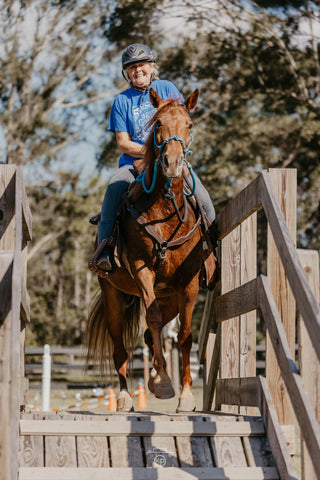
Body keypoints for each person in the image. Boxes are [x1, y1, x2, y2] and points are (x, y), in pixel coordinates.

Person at [89, 43, 216, 276]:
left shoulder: (166, 88)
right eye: (132, 67)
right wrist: (148, 156)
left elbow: (181, 119)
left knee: (205, 201)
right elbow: (123, 143)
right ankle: (105, 250)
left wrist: (166, 154)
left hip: (171, 160)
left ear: (151, 67)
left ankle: (210, 249)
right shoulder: (122, 101)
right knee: (112, 192)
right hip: (132, 164)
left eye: (142, 65)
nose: (138, 70)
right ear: (126, 72)